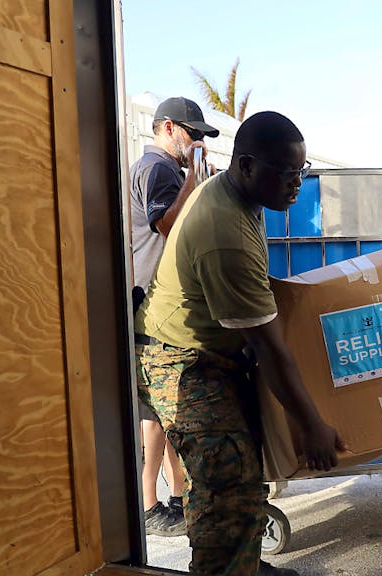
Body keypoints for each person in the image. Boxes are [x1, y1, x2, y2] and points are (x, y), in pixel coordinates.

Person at [135, 111, 343, 576]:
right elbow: (269, 350)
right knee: (226, 488)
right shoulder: (224, 229)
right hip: (180, 362)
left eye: (301, 172)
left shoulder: (237, 196)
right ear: (247, 166)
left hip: (208, 351)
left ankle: (243, 562)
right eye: (287, 174)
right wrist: (312, 425)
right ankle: (226, 564)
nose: (296, 184)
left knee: (243, 477)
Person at [130, 96, 220, 537]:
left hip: (157, 308)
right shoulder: (159, 169)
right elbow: (165, 224)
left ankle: (176, 495)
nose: (197, 141)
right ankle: (149, 506)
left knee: (166, 412)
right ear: (168, 128)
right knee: (155, 414)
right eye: (193, 133)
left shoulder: (164, 170)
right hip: (153, 308)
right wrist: (196, 180)